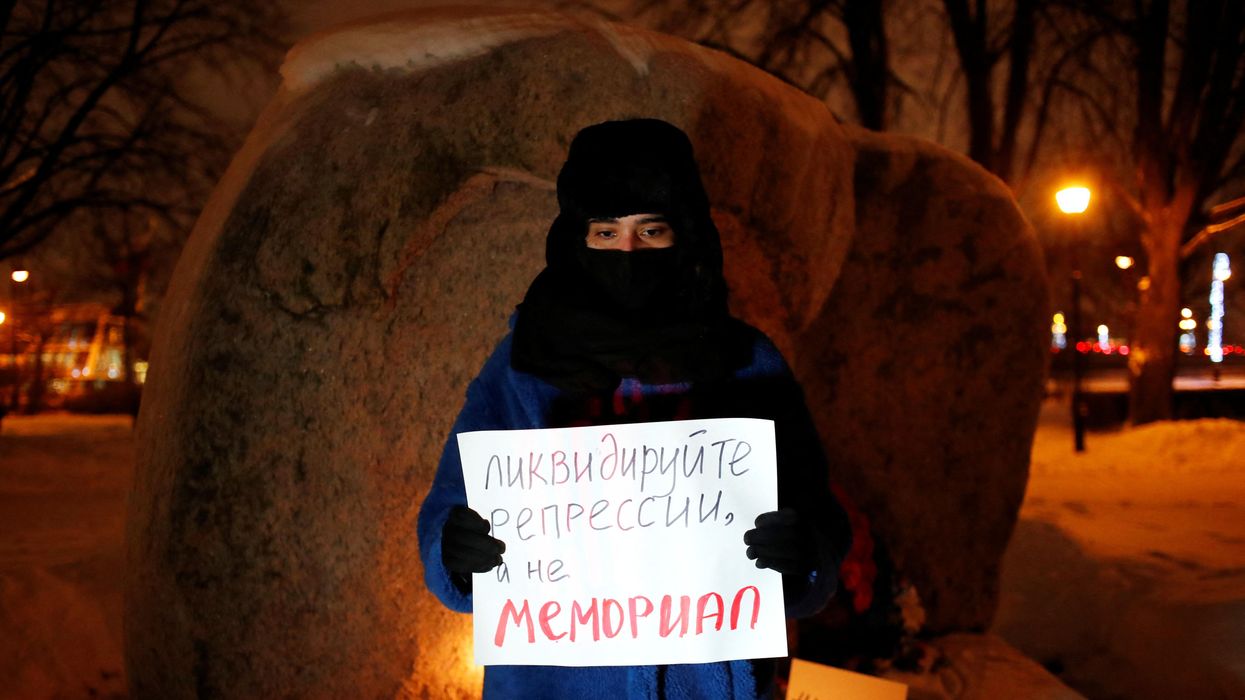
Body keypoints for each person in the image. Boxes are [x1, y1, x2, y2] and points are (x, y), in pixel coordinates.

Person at [418, 118, 851, 699]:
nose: (627, 252)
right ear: (577, 239)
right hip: (550, 686)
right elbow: (448, 508)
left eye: (651, 232)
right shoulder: (523, 365)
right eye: (606, 232)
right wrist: (455, 552)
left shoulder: (746, 362)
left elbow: (820, 524)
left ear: (686, 236)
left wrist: (802, 558)